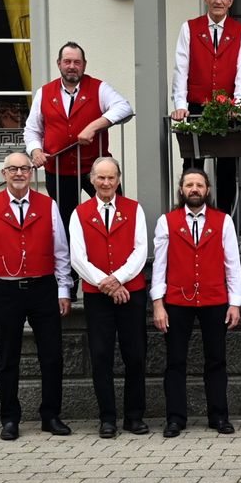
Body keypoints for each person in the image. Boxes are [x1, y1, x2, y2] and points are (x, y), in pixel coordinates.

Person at [0, 152, 72, 440]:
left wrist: (64, 289)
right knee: (7, 357)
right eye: (12, 169)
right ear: (3, 174)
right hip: (4, 289)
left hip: (43, 288)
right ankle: (9, 419)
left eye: (24, 169)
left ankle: (50, 415)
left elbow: (61, 251)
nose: (19, 173)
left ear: (31, 174)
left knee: (52, 356)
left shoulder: (48, 205)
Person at [151, 169, 241, 438]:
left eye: (199, 185)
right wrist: (158, 303)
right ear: (181, 189)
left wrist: (235, 302)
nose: (194, 189)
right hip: (177, 300)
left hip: (214, 299)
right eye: (189, 184)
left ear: (208, 189)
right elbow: (160, 266)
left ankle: (219, 416)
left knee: (216, 360)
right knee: (175, 361)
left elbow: (233, 264)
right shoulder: (166, 222)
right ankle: (175, 418)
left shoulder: (223, 220)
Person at [67, 156, 149, 438]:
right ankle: (107, 418)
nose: (105, 183)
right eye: (100, 178)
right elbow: (78, 258)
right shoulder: (79, 213)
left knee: (135, 355)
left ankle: (134, 417)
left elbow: (140, 251)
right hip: (97, 295)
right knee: (101, 356)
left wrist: (119, 279)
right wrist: (107, 284)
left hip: (132, 294)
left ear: (119, 179)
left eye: (111, 177)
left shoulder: (134, 209)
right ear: (91, 180)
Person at [25, 41, 132, 232]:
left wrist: (94, 126)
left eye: (77, 62)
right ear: (59, 63)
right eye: (67, 61)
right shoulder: (44, 93)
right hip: (59, 170)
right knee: (66, 223)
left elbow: (124, 108)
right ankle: (71, 261)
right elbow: (32, 129)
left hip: (96, 168)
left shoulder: (99, 88)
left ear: (84, 64)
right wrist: (36, 151)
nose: (72, 66)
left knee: (114, 215)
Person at [170, 0, 241, 214]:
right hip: (196, 105)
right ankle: (190, 216)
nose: (218, 0)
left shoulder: (240, 31)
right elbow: (181, 69)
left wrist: (240, 105)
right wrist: (180, 104)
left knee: (227, 166)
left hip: (228, 109)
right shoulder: (190, 28)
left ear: (230, 1)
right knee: (192, 165)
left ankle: (223, 220)